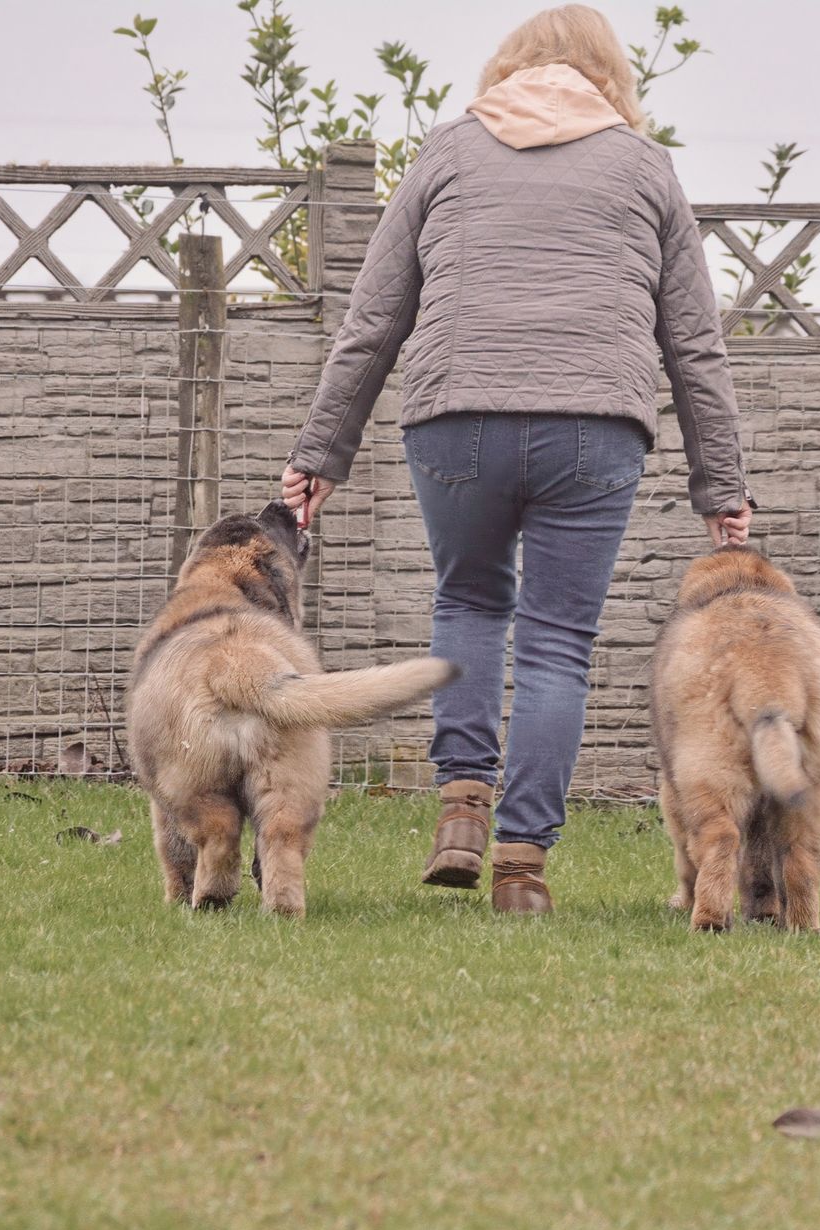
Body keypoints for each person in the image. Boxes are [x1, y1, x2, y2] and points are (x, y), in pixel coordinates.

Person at [282, 4, 752, 916]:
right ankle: (523, 868)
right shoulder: (645, 167)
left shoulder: (448, 152)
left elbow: (373, 322)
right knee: (557, 641)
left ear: (506, 68)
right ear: (613, 77)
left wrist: (318, 455)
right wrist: (721, 488)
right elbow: (695, 345)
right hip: (595, 427)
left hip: (456, 417)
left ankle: (462, 809)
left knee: (467, 601)